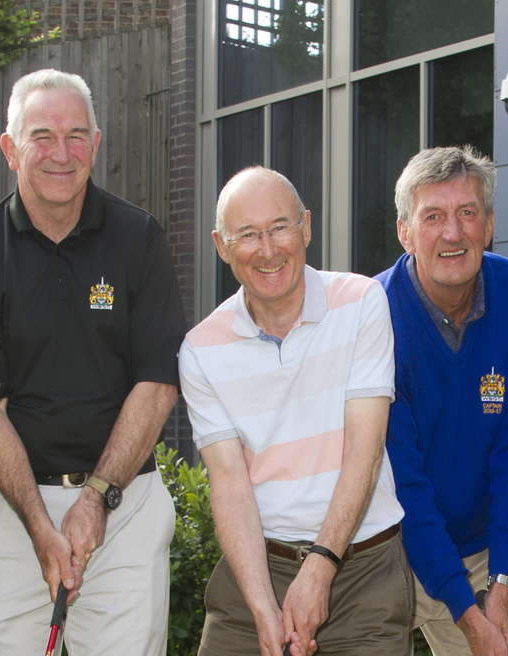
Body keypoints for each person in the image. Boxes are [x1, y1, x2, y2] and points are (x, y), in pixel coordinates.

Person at [0, 68, 187, 656]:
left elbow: (157, 385)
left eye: (76, 136)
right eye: (41, 136)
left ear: (96, 145)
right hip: (6, 509)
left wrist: (96, 498)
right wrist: (40, 526)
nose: (60, 153)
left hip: (122, 505)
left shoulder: (139, 240)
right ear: (10, 149)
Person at [182, 166, 410, 656]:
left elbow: (364, 453)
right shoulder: (200, 349)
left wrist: (321, 566)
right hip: (255, 572)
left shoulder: (362, 302)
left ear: (306, 227)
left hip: (362, 569)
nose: (268, 249)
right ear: (222, 247)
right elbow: (229, 484)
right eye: (247, 235)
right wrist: (264, 609)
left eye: (280, 227)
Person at [373, 146, 508, 656]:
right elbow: (402, 477)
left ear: (489, 224)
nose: (453, 233)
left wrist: (502, 581)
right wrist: (463, 608)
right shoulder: (372, 315)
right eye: (433, 216)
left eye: (467, 213)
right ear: (405, 231)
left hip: (478, 548)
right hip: (382, 545)